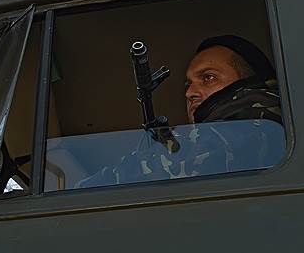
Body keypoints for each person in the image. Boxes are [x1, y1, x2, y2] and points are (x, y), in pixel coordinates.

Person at [76, 35, 284, 188]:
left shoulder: (253, 127)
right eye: (188, 84)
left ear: (248, 82)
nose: (190, 93)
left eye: (208, 77)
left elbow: (98, 188)